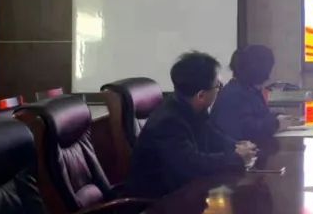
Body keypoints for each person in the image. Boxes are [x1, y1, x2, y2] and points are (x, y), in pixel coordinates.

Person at [126, 51, 257, 198]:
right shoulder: (168, 122)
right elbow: (192, 165)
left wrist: (236, 145)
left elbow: (212, 135)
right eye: (218, 86)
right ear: (201, 95)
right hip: (158, 203)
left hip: (184, 192)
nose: (220, 89)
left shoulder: (191, 108)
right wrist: (235, 158)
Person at [210, 45, 300, 144]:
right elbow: (249, 130)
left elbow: (260, 115)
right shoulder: (234, 94)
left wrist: (277, 117)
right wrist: (276, 123)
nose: (269, 75)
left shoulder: (249, 90)